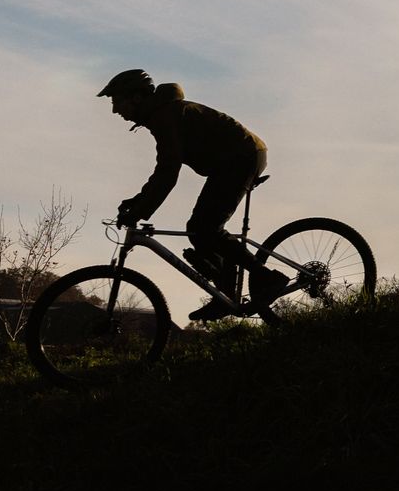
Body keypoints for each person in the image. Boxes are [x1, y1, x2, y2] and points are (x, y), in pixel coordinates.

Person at [97, 70, 282, 321]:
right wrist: (138, 201)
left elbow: (167, 173)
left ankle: (267, 278)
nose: (115, 110)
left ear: (137, 97)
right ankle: (225, 296)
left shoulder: (166, 116)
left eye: (116, 101)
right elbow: (164, 170)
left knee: (205, 227)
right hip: (233, 159)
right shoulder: (162, 114)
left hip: (242, 156)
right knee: (202, 230)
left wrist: (140, 210)